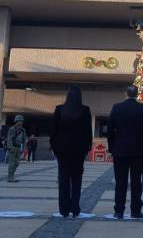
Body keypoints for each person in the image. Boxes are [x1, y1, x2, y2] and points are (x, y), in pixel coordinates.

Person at [107, 85, 143, 219]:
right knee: (136, 182)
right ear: (137, 94)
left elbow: (110, 130)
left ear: (125, 94)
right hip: (139, 151)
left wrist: (111, 148)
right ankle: (136, 210)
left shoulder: (117, 107)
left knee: (120, 181)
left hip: (120, 150)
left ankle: (119, 210)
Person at [50, 85, 93, 217]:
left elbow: (53, 130)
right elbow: (88, 132)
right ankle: (75, 208)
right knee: (76, 179)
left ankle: (63, 209)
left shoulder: (59, 109)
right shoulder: (85, 110)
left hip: (62, 150)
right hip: (79, 150)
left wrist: (53, 147)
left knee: (63, 179)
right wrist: (87, 148)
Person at [6, 115, 27, 182]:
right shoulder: (12, 129)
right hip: (13, 147)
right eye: (19, 121)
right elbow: (9, 139)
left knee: (17, 163)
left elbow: (24, 140)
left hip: (18, 148)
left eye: (22, 121)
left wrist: (24, 147)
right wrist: (10, 147)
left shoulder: (23, 130)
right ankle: (10, 177)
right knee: (12, 163)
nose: (21, 122)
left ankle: (12, 175)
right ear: (16, 121)